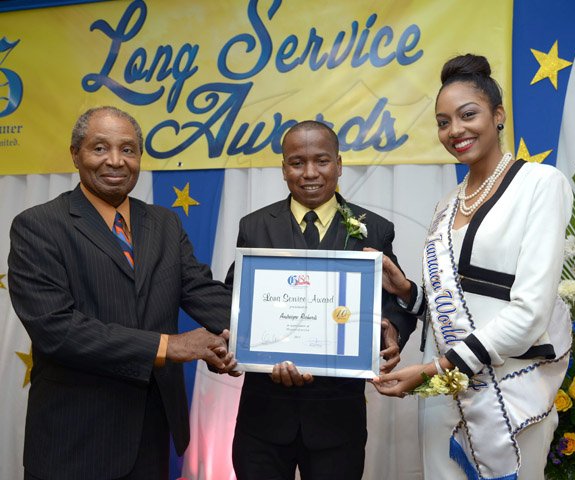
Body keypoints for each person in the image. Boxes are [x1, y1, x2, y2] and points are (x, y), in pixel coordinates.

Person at [7, 106, 237, 480]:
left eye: (128, 150)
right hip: (75, 440)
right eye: (100, 148)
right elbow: (57, 329)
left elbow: (200, 290)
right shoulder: (39, 226)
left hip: (151, 433)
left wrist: (283, 333)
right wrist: (169, 346)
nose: (115, 161)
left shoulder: (164, 222)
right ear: (75, 153)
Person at [372, 54, 573, 480]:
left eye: (468, 115)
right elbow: (459, 303)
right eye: (443, 122)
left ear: (498, 116)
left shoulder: (540, 184)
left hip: (511, 392)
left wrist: (434, 370)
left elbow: (529, 311)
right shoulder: (447, 204)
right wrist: (408, 291)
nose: (455, 131)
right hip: (446, 396)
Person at [225, 120, 417, 480]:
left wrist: (393, 330)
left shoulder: (373, 228)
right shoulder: (254, 226)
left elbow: (393, 299)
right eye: (297, 162)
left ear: (339, 164)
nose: (309, 173)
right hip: (263, 418)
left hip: (336, 420)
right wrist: (232, 336)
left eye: (322, 161)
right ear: (284, 169)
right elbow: (235, 296)